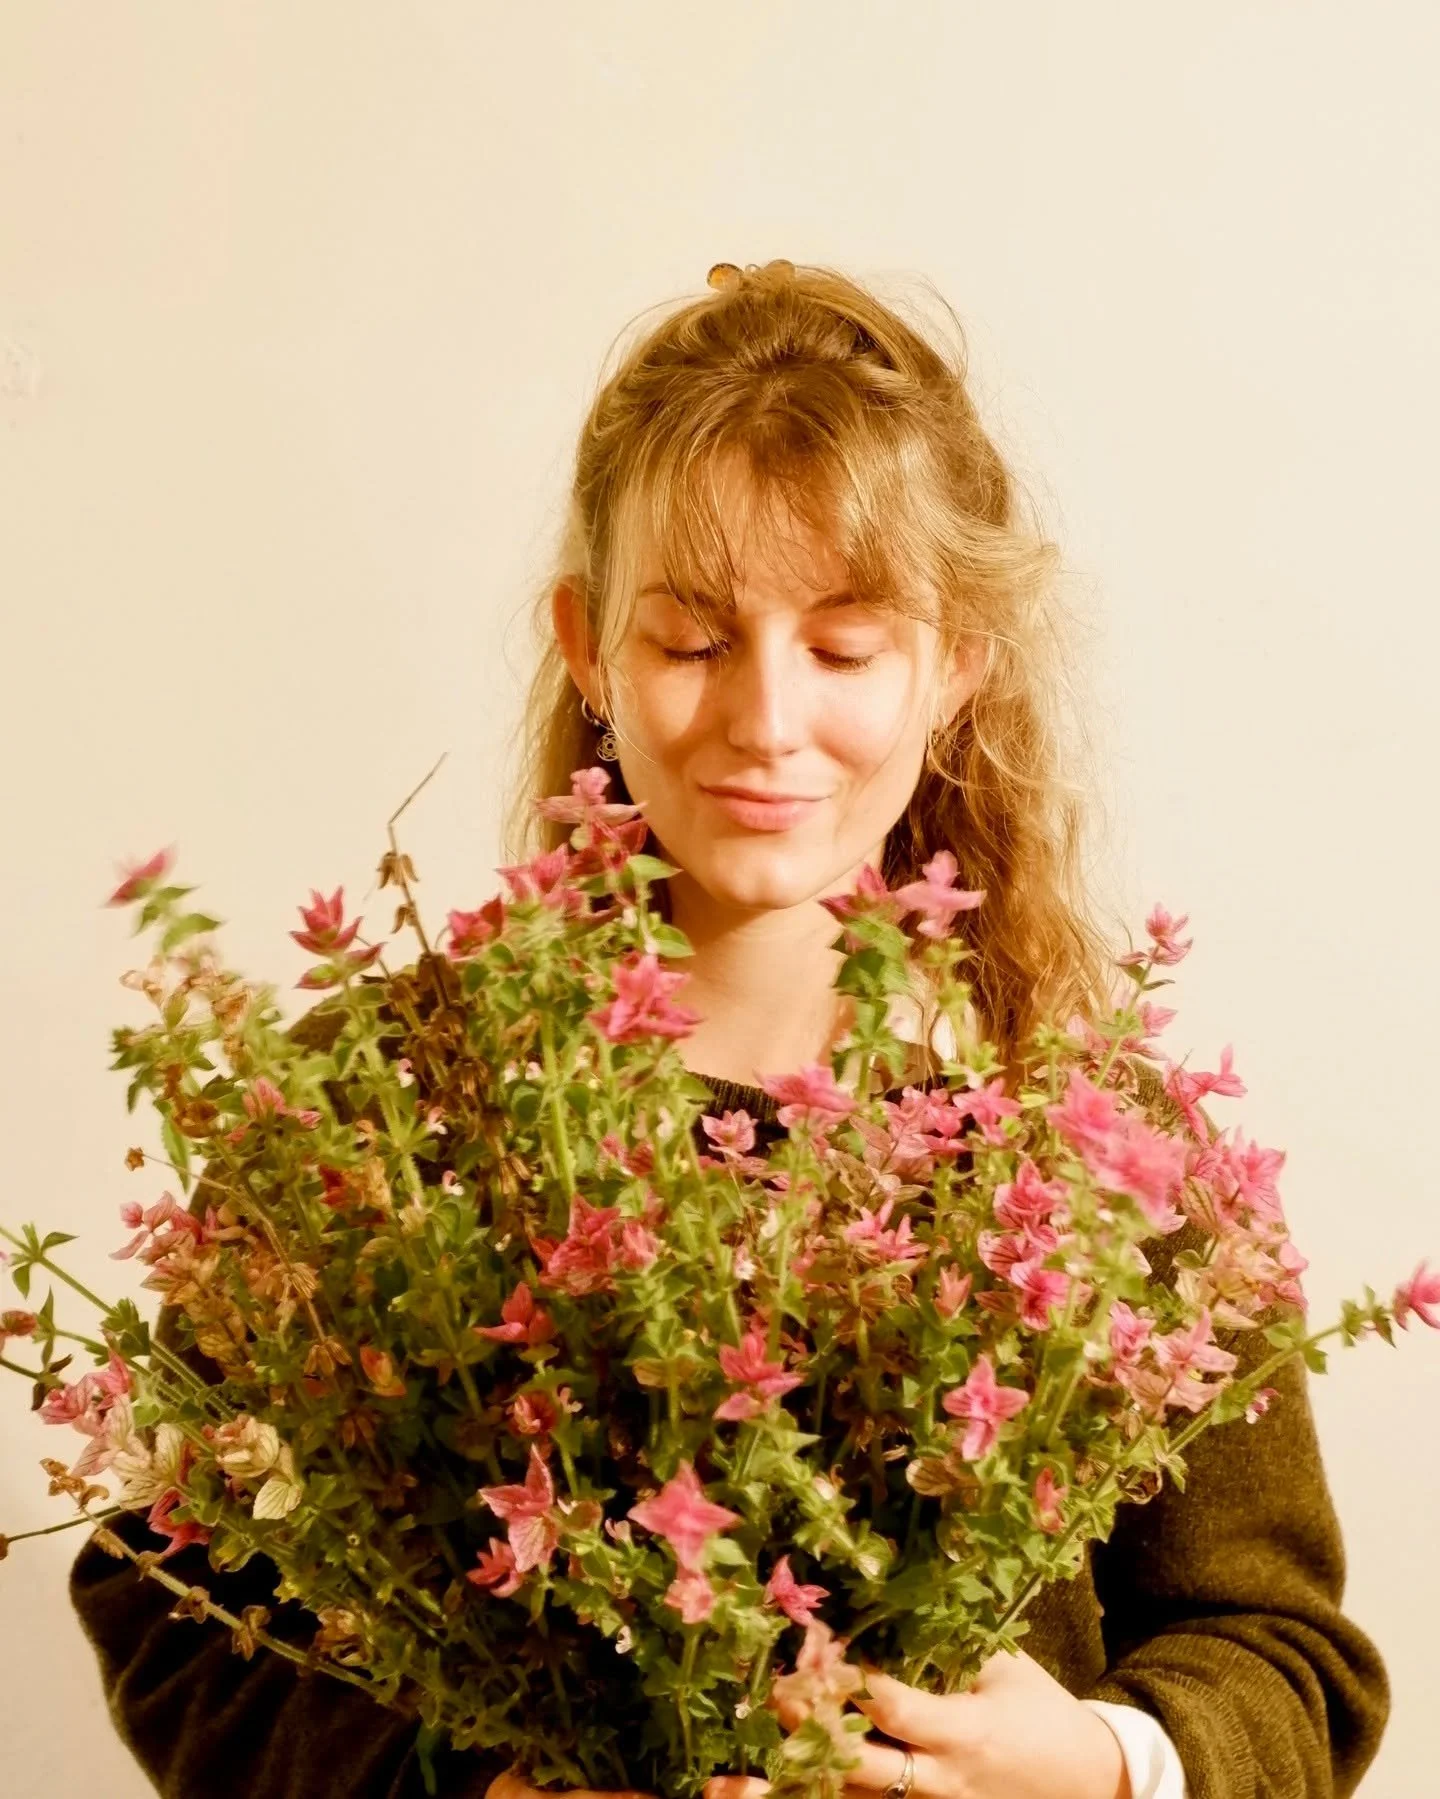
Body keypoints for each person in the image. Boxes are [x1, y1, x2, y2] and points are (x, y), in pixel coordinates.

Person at [69, 260, 1388, 1799]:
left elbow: (1285, 1650)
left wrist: (1105, 1760)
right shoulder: (389, 1104)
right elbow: (171, 1591)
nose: (766, 721)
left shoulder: (1106, 1141)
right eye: (693, 640)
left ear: (954, 661)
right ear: (590, 647)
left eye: (843, 647)